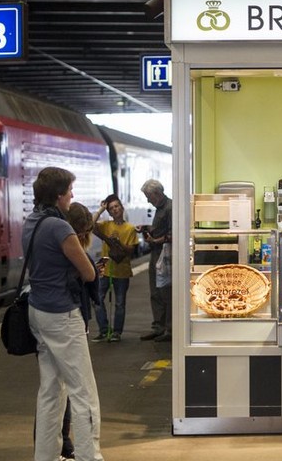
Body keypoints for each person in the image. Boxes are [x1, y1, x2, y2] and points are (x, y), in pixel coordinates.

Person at [24, 167, 104, 461]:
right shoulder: (60, 228)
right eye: (70, 190)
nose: (72, 195)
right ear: (59, 195)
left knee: (49, 392)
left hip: (38, 313)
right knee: (83, 395)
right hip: (62, 316)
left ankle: (45, 456)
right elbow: (88, 272)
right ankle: (88, 456)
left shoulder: (31, 221)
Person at [57, 202, 104, 460]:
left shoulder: (54, 240)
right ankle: (79, 449)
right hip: (70, 319)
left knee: (55, 389)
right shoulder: (73, 246)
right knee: (78, 390)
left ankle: (59, 445)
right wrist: (95, 273)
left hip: (51, 318)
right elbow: (89, 278)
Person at [91, 194, 138, 343]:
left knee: (119, 303)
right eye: (111, 208)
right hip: (105, 268)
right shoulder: (106, 225)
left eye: (117, 206)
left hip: (122, 269)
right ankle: (104, 330)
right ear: (109, 212)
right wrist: (100, 210)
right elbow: (90, 225)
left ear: (122, 208)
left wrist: (117, 244)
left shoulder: (130, 228)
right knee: (97, 299)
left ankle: (117, 332)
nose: (115, 209)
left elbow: (130, 250)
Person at [140, 179, 172, 342]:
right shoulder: (161, 208)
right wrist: (147, 229)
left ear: (157, 194)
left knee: (166, 292)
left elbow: (174, 235)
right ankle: (158, 327)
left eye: (148, 196)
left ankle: (169, 328)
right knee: (155, 292)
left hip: (166, 257)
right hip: (157, 255)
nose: (148, 200)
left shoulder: (170, 208)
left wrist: (156, 240)